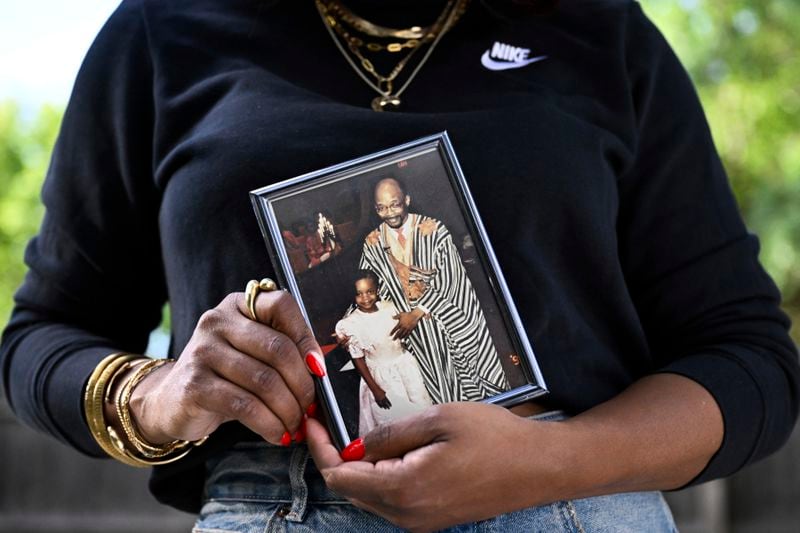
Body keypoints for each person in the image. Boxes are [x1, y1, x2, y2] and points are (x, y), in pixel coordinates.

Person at [0, 0, 798, 531]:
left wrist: (554, 462)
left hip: (574, 504)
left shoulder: (598, 31)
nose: (388, 217)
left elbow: (751, 360)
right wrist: (157, 393)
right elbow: (45, 332)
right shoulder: (164, 31)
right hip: (279, 500)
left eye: (395, 208)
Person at [359, 177, 509, 403]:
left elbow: (454, 279)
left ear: (407, 200)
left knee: (475, 392)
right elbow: (369, 287)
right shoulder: (372, 242)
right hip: (414, 338)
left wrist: (417, 313)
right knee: (437, 395)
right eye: (381, 208)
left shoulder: (434, 230)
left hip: (445, 321)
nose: (389, 213)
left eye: (395, 204)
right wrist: (356, 323)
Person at [334, 269, 433, 434]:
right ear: (353, 296)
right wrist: (375, 390)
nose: (365, 298)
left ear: (377, 290)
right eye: (359, 294)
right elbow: (358, 359)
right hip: (381, 377)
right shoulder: (352, 324)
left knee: (420, 412)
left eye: (370, 292)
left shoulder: (390, 307)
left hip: (405, 367)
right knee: (397, 421)